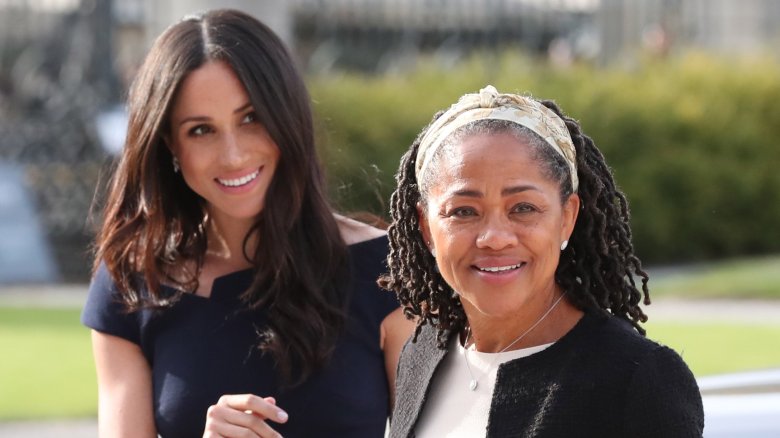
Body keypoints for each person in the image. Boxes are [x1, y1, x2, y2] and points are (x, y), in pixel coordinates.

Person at [81, 9, 412, 438]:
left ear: (287, 116)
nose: (233, 155)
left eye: (251, 118)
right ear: (169, 147)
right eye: (201, 130)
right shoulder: (132, 280)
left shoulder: (390, 272)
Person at [380, 85, 704, 437]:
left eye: (523, 208)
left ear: (567, 217)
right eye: (463, 211)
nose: (495, 237)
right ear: (426, 228)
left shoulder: (635, 379)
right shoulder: (421, 354)